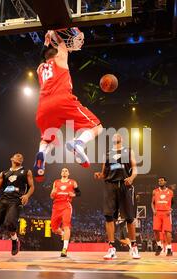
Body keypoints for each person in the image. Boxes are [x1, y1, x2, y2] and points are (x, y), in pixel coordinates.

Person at [33, 30, 103, 181]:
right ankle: (78, 144)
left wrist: (46, 42)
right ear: (56, 53)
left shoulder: (40, 69)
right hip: (62, 100)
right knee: (97, 127)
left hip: (43, 106)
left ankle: (42, 156)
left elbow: (42, 56)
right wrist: (54, 33)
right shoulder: (60, 58)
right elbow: (63, 45)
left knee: (47, 139)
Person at [94, 133, 140, 260]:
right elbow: (104, 173)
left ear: (122, 139)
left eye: (119, 134)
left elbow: (135, 168)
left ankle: (134, 247)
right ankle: (111, 248)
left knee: (130, 218)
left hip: (124, 185)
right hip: (110, 186)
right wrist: (99, 175)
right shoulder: (107, 154)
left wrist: (131, 178)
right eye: (114, 135)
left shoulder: (129, 151)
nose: (116, 135)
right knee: (109, 217)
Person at [0, 153, 34, 258]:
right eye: (17, 156)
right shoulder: (4, 173)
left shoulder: (26, 172)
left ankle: (14, 241)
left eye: (21, 157)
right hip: (3, 200)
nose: (20, 157)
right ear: (12, 159)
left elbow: (31, 187)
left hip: (16, 200)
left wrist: (27, 195)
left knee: (10, 223)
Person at [50, 167, 80, 257]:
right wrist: (52, 193)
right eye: (62, 170)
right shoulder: (56, 182)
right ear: (60, 173)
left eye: (66, 170)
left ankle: (64, 249)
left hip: (66, 205)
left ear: (68, 173)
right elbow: (51, 196)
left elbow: (79, 193)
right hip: (56, 206)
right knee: (54, 229)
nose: (64, 172)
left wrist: (73, 194)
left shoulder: (72, 182)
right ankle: (63, 234)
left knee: (66, 226)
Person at [151, 177, 174, 256]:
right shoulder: (155, 191)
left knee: (168, 231)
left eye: (161, 180)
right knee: (156, 230)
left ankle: (169, 249)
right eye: (159, 181)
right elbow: (152, 203)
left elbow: (173, 202)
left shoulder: (170, 192)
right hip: (157, 213)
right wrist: (153, 210)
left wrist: (170, 209)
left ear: (165, 182)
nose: (160, 182)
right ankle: (159, 246)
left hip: (166, 213)